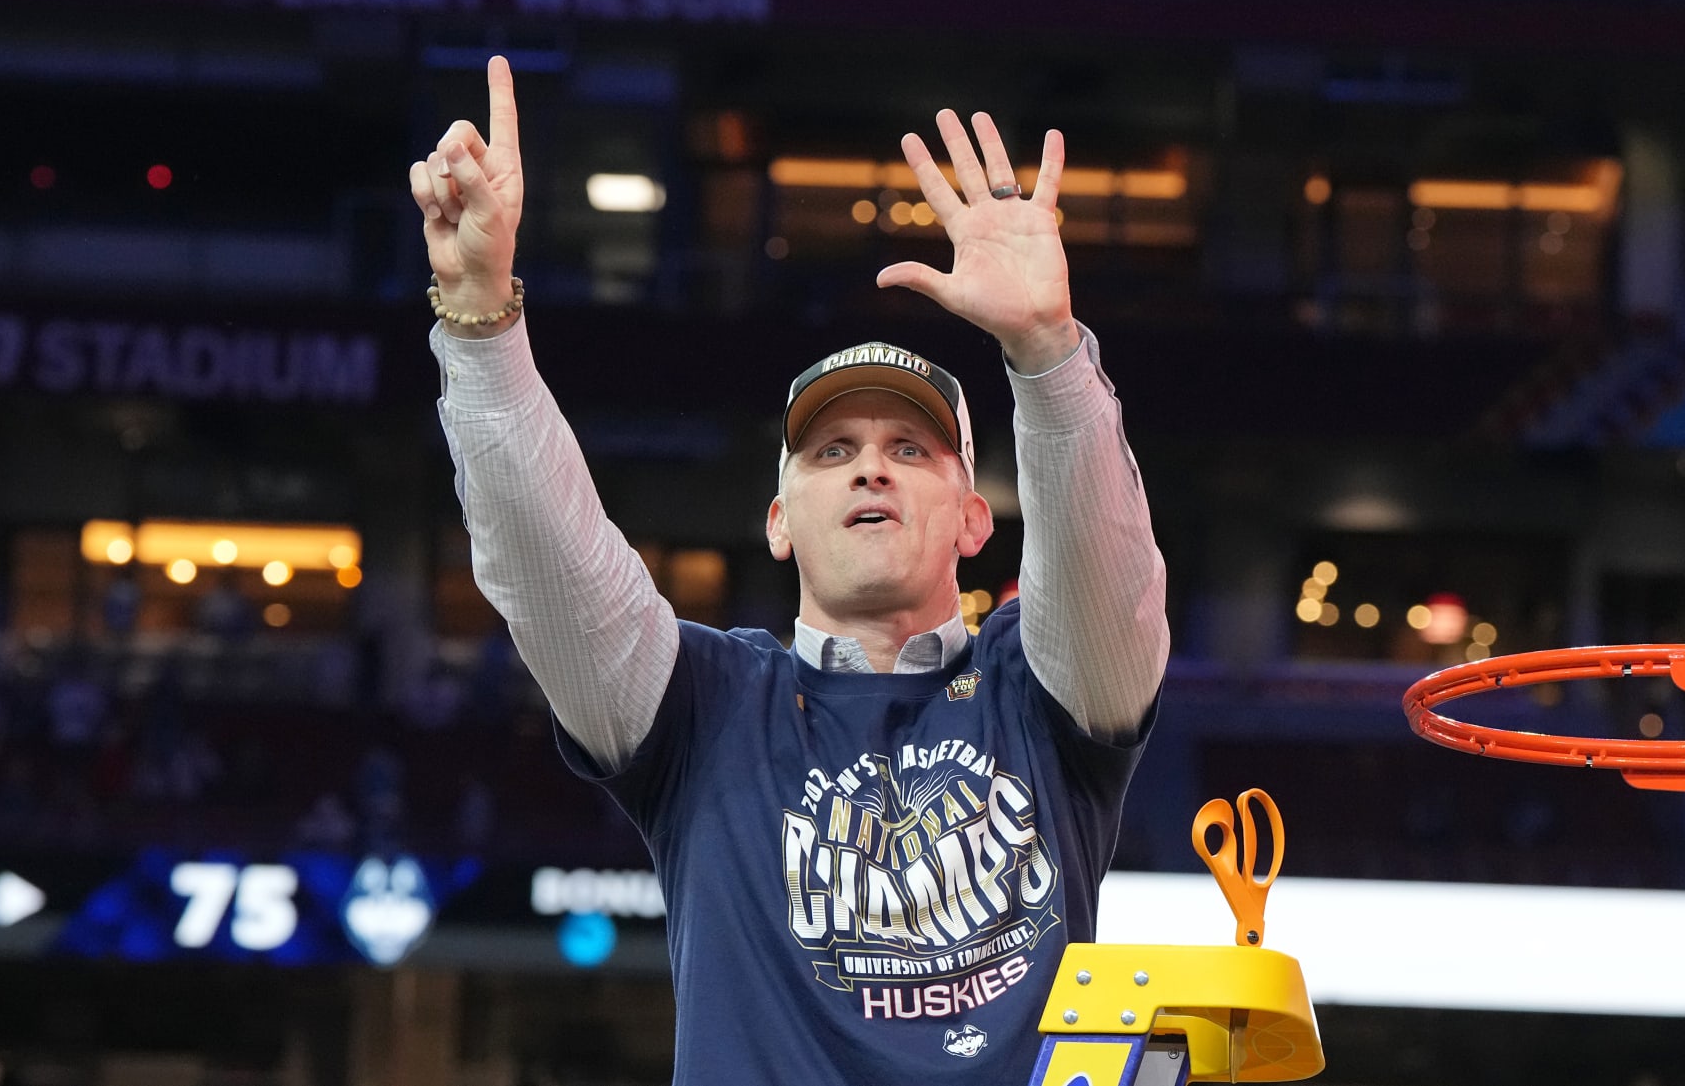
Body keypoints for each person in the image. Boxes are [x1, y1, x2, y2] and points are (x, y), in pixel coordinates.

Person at [412, 56, 1169, 1084]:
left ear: (974, 519)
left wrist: (1046, 352)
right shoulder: (703, 702)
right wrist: (478, 318)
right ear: (778, 522)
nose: (868, 465)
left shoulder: (1044, 692)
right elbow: (551, 566)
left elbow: (1106, 571)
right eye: (830, 451)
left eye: (910, 450)